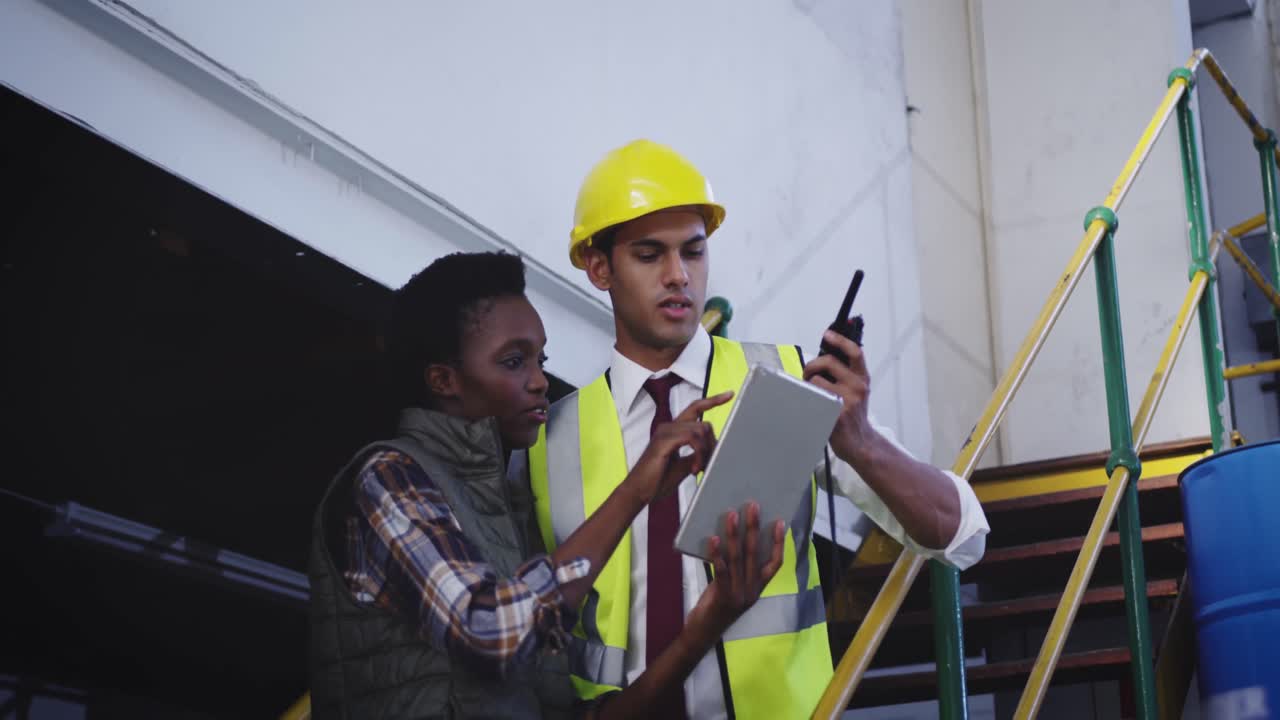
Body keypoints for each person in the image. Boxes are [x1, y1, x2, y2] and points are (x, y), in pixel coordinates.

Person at [529, 140, 992, 719]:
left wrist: (863, 443)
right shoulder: (547, 440)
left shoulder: (789, 382)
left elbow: (962, 538)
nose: (678, 276)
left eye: (693, 253)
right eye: (650, 256)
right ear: (600, 268)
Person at [307, 251, 786, 719]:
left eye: (541, 359)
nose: (539, 381)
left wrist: (701, 632)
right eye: (514, 362)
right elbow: (491, 634)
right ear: (443, 380)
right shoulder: (386, 478)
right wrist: (633, 492)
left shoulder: (509, 510)